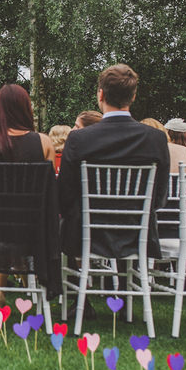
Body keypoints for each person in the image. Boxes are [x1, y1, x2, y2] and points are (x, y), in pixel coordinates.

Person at [58, 64, 170, 263]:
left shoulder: (79, 139)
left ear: (100, 95)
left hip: (84, 235)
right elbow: (160, 196)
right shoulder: (156, 139)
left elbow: (65, 195)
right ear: (133, 96)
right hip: (137, 234)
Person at [0, 84, 56, 308]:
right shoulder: (45, 142)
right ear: (26, 109)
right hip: (35, 231)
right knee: (15, 228)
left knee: (3, 226)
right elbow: (50, 193)